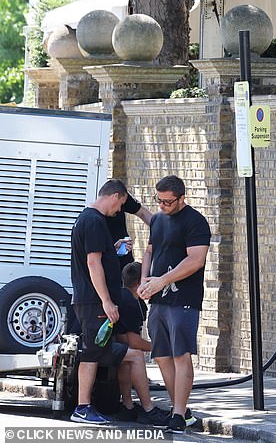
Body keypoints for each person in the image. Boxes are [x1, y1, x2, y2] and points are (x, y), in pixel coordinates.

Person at [138, 175, 211, 433]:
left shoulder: (196, 222)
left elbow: (195, 260)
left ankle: (178, 414)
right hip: (158, 300)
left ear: (182, 198)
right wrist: (146, 279)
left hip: (184, 299)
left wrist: (162, 281)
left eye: (168, 201)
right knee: (161, 356)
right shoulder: (157, 220)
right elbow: (149, 251)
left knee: (181, 355)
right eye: (159, 200)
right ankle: (180, 408)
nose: (163, 206)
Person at [69, 179, 143, 425]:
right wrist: (107, 302)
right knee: (91, 352)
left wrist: (115, 248)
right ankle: (82, 407)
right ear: (115, 196)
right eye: (121, 204)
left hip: (90, 300)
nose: (119, 210)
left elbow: (97, 254)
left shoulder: (87, 219)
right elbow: (92, 262)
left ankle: (84, 406)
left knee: (94, 350)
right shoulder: (94, 221)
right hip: (94, 302)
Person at [113, 262, 168, 426]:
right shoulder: (131, 303)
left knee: (127, 359)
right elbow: (131, 341)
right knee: (135, 355)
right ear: (140, 283)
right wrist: (159, 347)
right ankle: (148, 409)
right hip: (101, 347)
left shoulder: (123, 295)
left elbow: (124, 339)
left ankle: (128, 407)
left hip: (99, 343)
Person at [106, 193, 153, 269]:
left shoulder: (122, 195)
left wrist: (161, 229)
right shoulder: (92, 218)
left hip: (124, 259)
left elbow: (142, 212)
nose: (119, 209)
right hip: (107, 263)